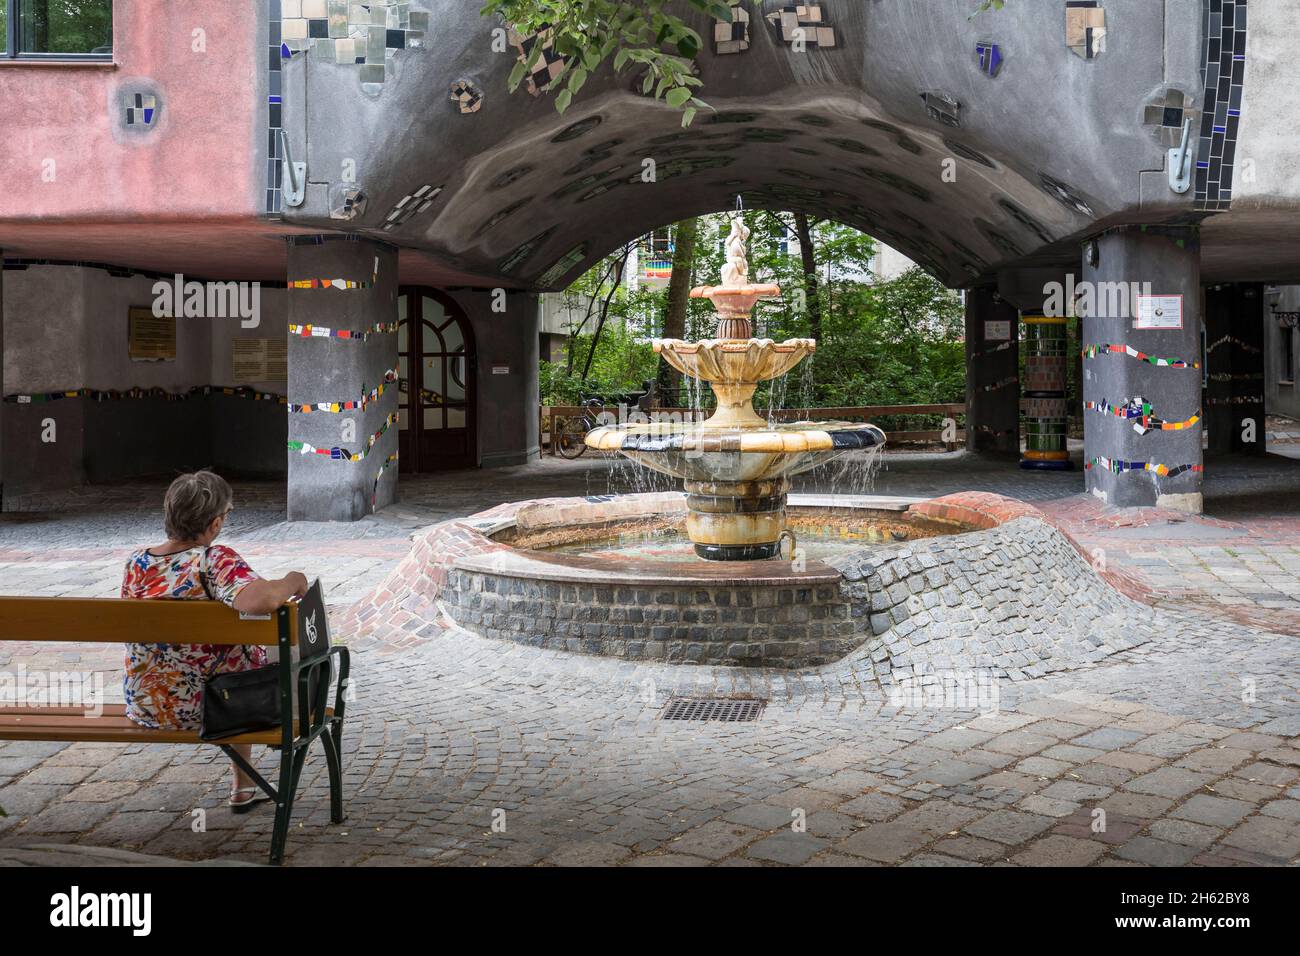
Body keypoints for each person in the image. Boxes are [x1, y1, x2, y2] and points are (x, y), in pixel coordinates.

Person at [120, 471, 309, 812]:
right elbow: (261, 601)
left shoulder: (137, 563)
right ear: (215, 524)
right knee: (275, 648)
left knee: (237, 655)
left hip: (148, 704)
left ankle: (244, 787)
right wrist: (292, 579)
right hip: (215, 706)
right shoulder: (213, 560)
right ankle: (245, 783)